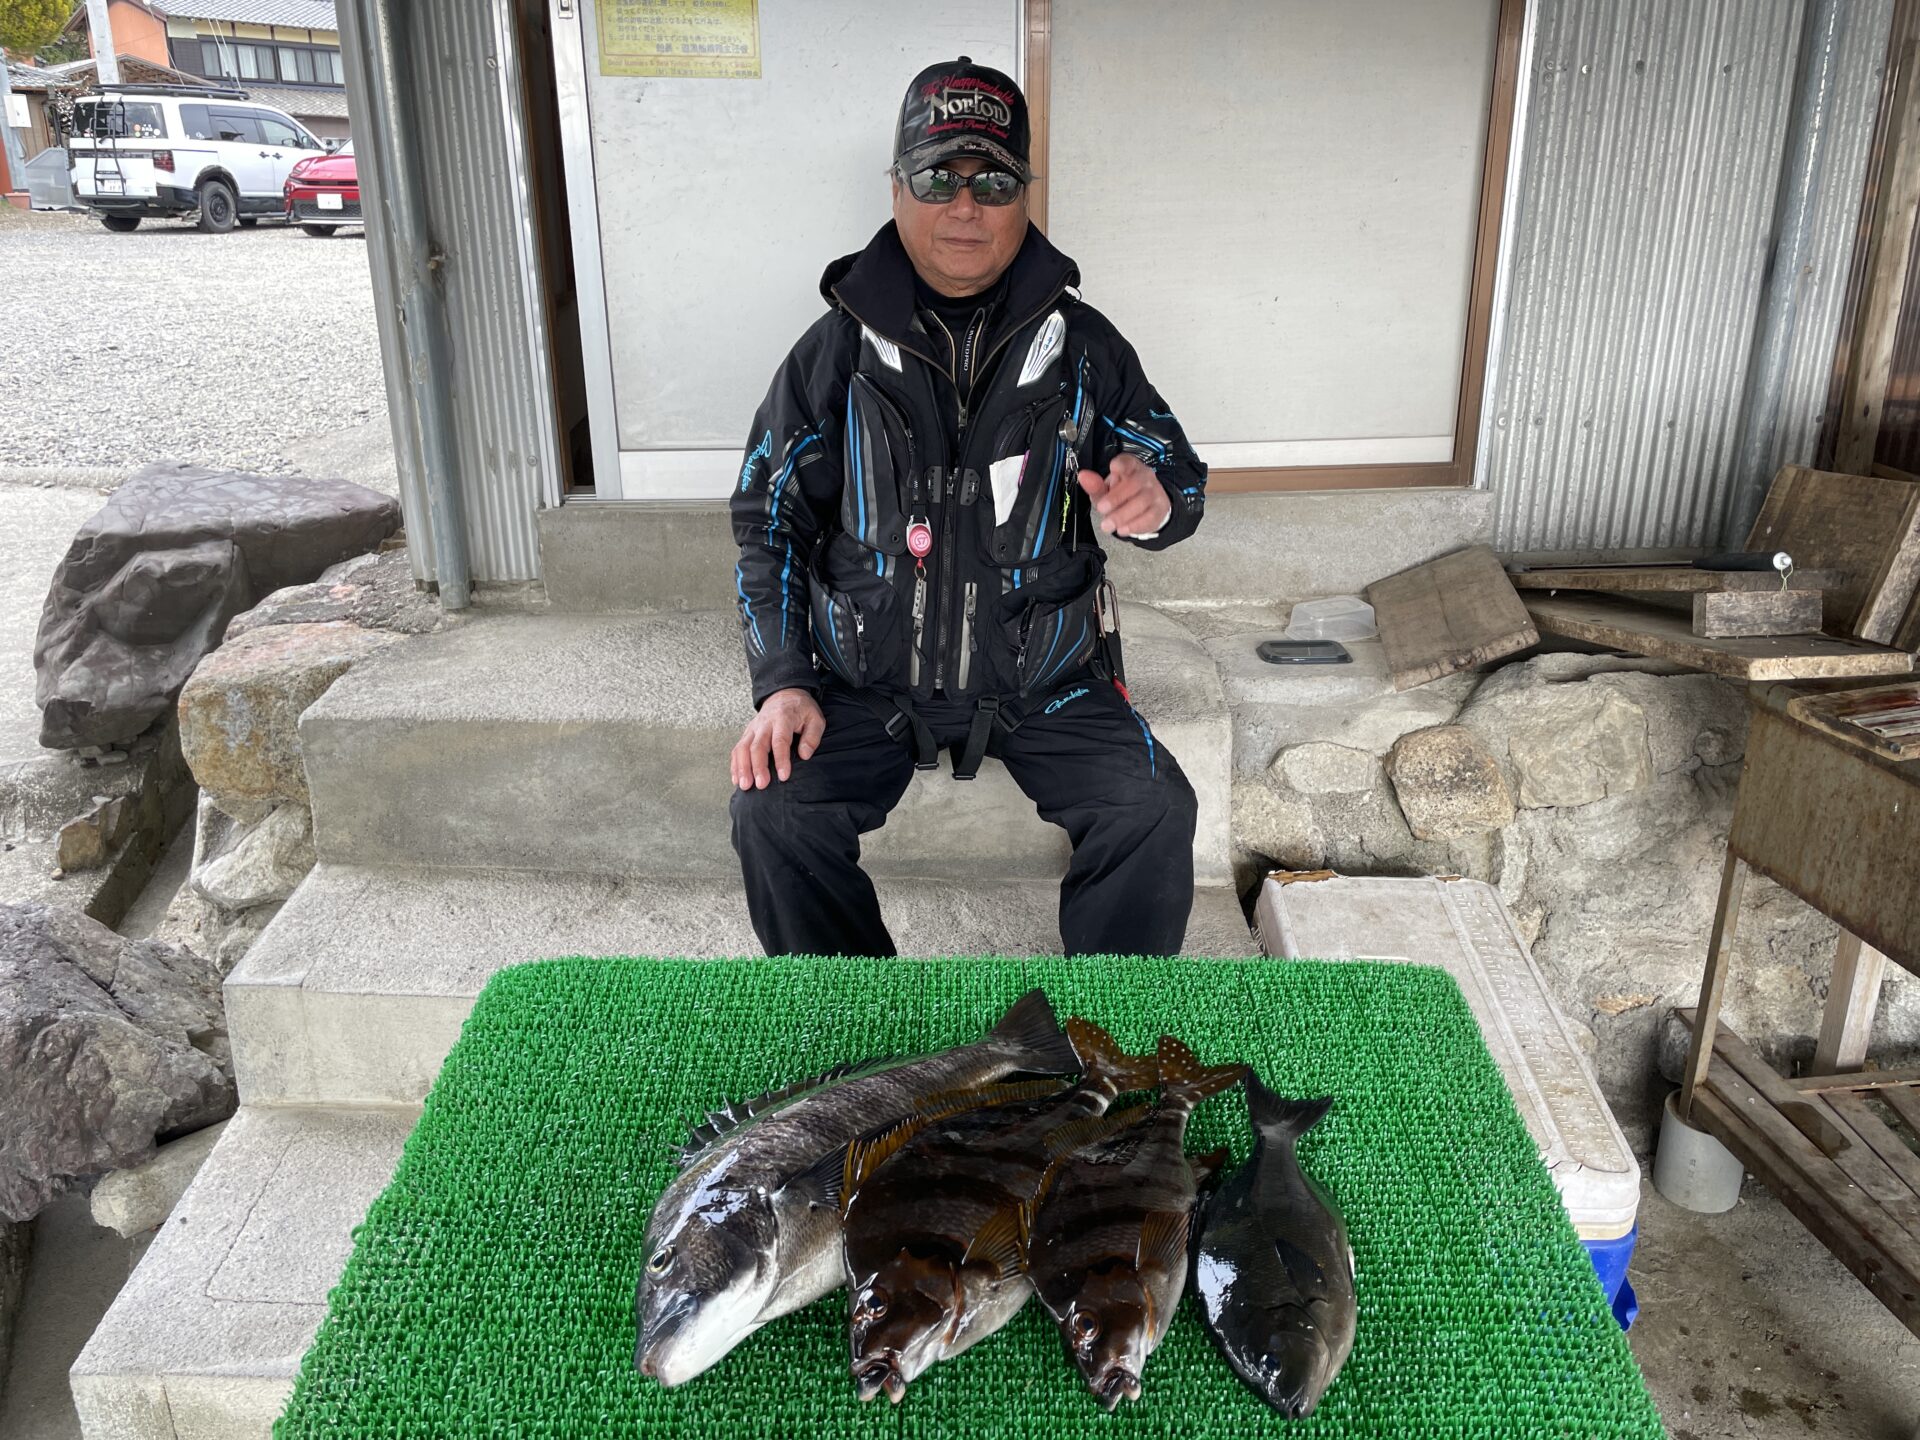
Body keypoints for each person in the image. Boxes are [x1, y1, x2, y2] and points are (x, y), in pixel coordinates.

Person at [728, 56, 1209, 958]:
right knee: (775, 813)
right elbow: (769, 517)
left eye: (992, 181)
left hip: (1047, 680)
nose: (965, 206)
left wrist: (1154, 500)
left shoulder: (1086, 348)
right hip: (864, 681)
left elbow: (1176, 474)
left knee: (1151, 806)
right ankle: (860, 1026)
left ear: (1023, 195)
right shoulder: (834, 351)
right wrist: (784, 680)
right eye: (936, 178)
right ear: (896, 188)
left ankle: (1101, 1036)